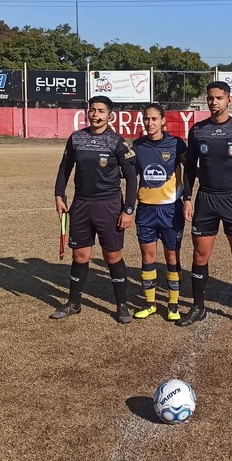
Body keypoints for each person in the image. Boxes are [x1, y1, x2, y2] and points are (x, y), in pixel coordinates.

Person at [178, 81, 232, 330]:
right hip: (205, 199)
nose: (213, 102)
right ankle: (198, 307)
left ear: (229, 99)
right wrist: (187, 197)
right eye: (210, 98)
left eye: (218, 97)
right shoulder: (198, 131)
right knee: (200, 255)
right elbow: (189, 169)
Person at [51, 96, 138, 323]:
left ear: (110, 116)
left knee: (113, 256)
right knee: (80, 256)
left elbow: (131, 176)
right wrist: (59, 195)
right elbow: (65, 167)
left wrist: (128, 209)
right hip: (81, 204)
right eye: (92, 110)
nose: (96, 115)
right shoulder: (76, 138)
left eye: (101, 111)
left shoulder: (117, 142)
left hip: (109, 205)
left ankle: (122, 305)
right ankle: (73, 303)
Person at [131, 103, 188, 321]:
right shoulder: (137, 146)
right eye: (146, 119)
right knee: (148, 257)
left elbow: (190, 171)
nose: (150, 123)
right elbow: (130, 175)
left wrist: (188, 199)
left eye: (154, 119)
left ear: (163, 121)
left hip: (170, 209)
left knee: (172, 256)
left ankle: (173, 304)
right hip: (145, 210)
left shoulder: (176, 144)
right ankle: (150, 303)